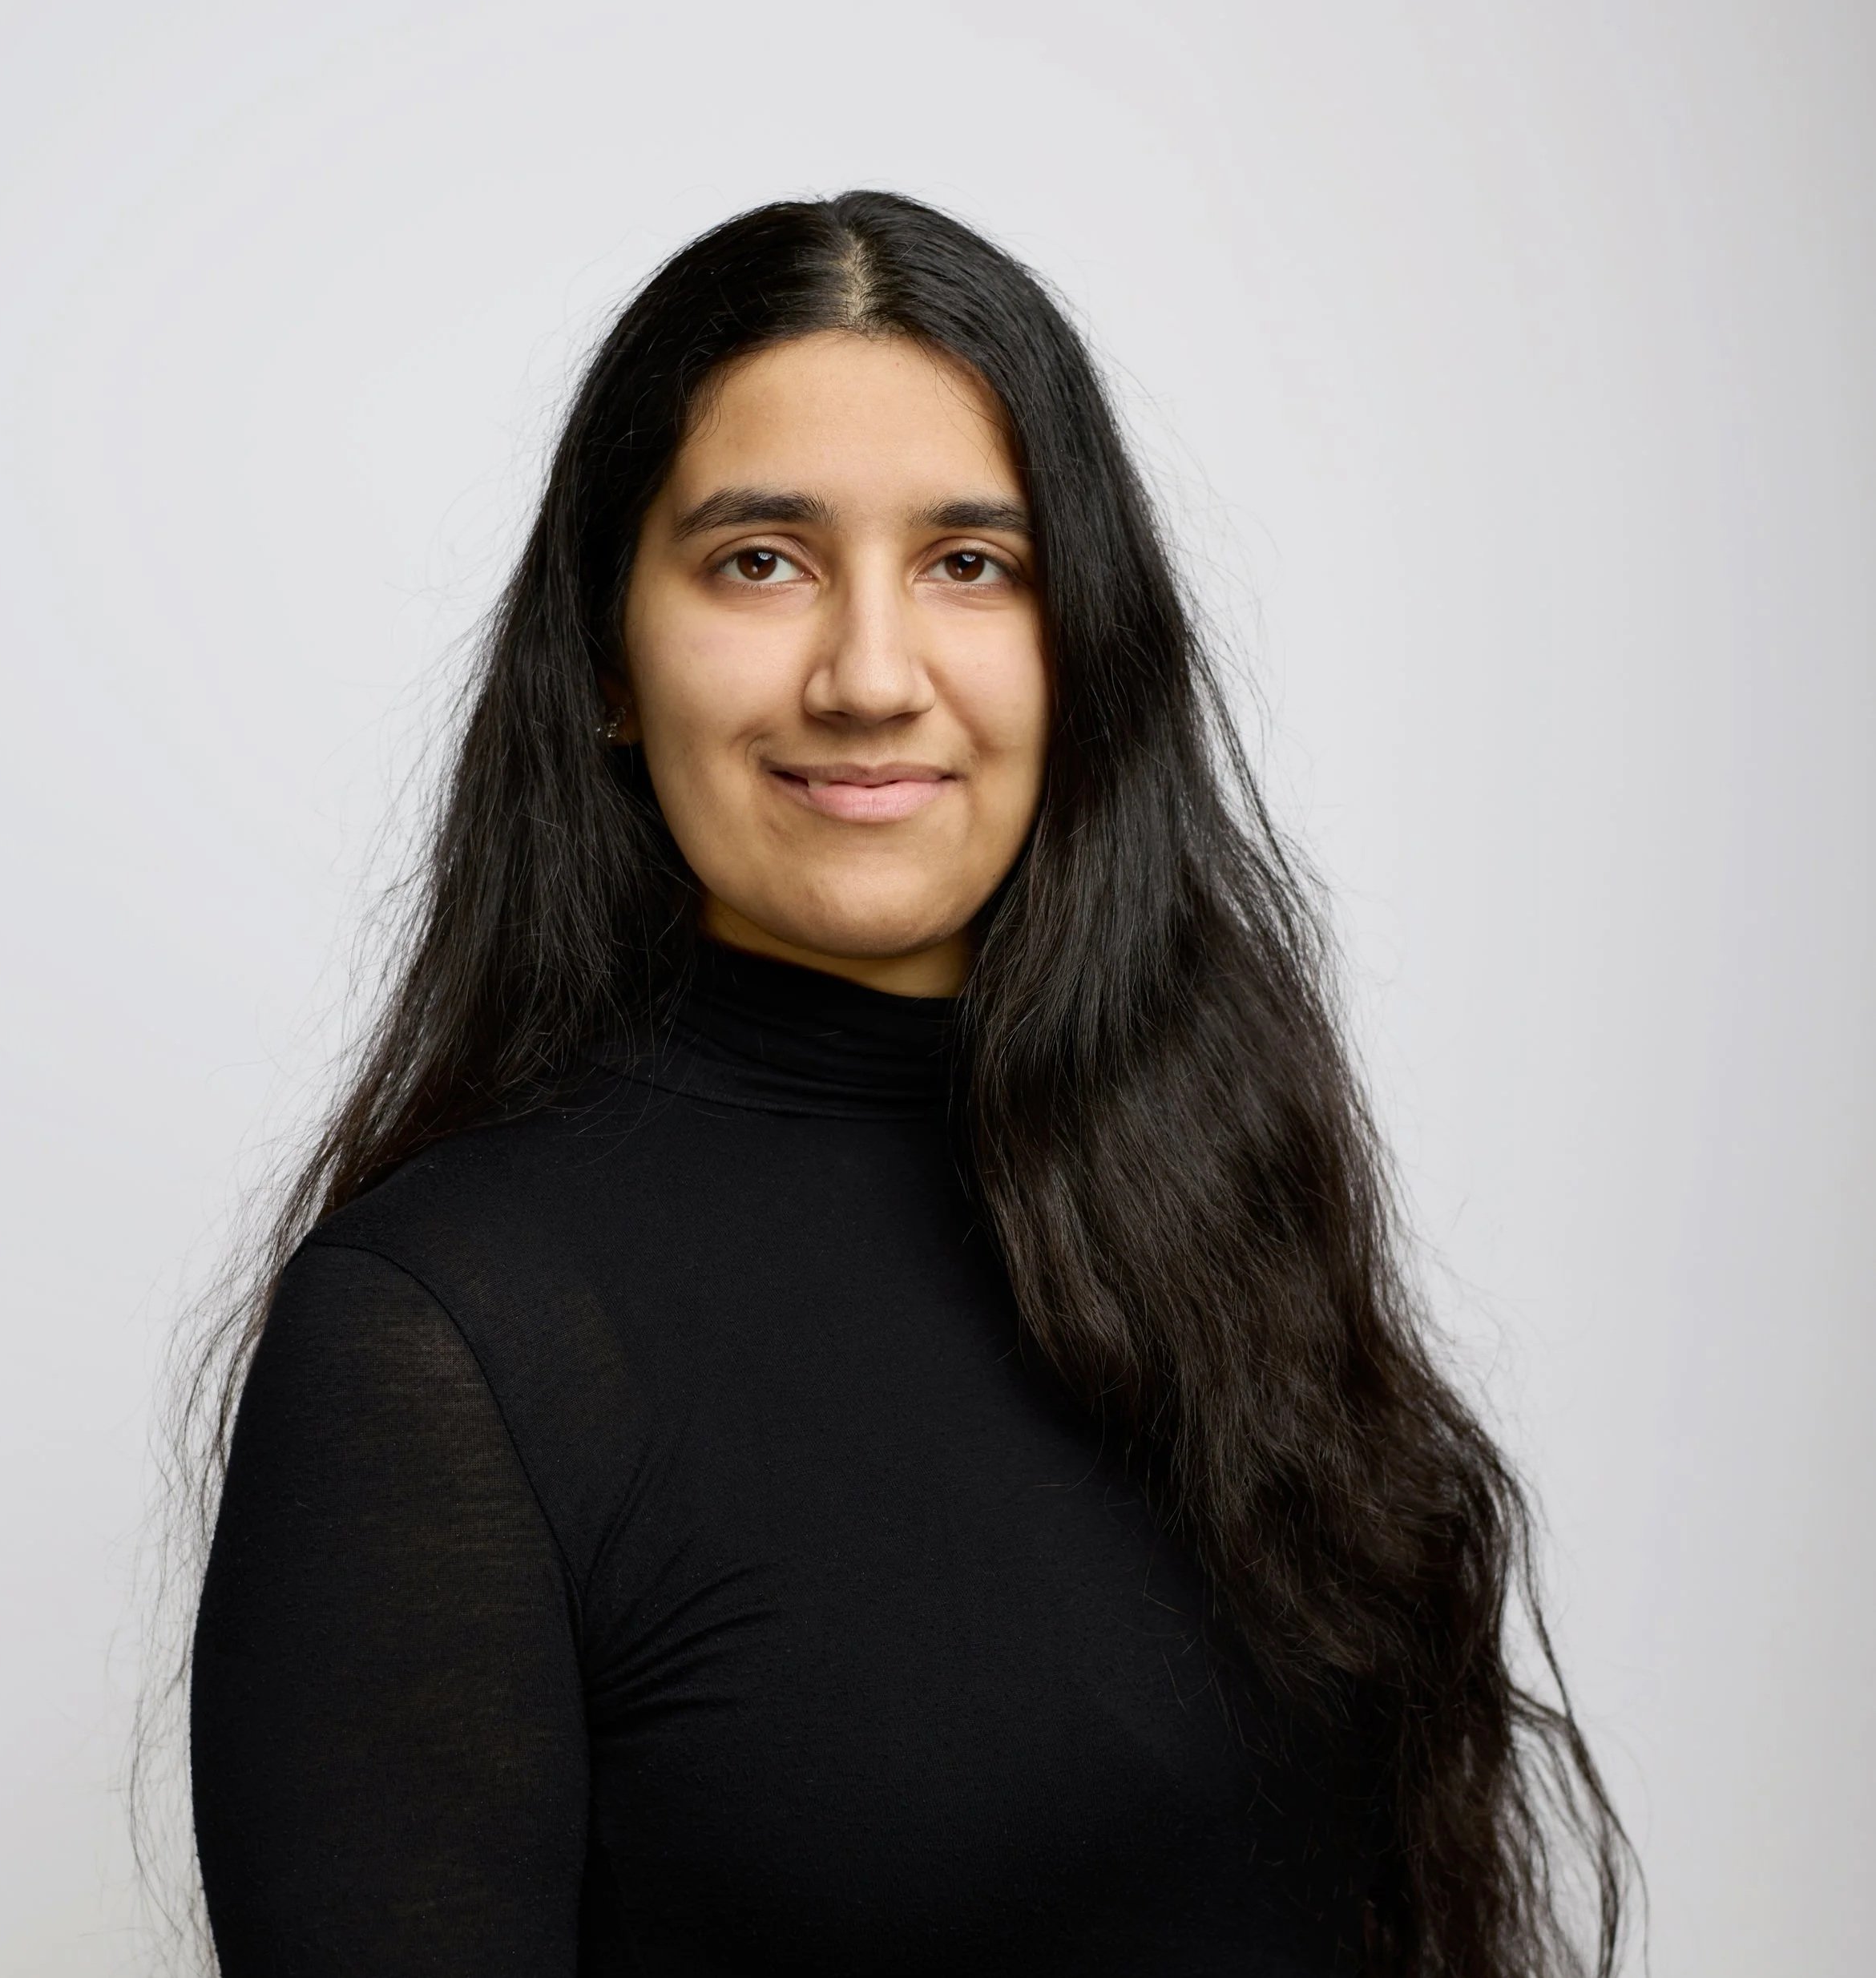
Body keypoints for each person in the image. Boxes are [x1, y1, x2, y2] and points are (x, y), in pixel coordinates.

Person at [185, 191, 1631, 1976]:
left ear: (1080, 646)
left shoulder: (1210, 1201)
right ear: (608, 667)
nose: (869, 676)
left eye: (970, 563)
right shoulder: (431, 1342)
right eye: (758, 560)